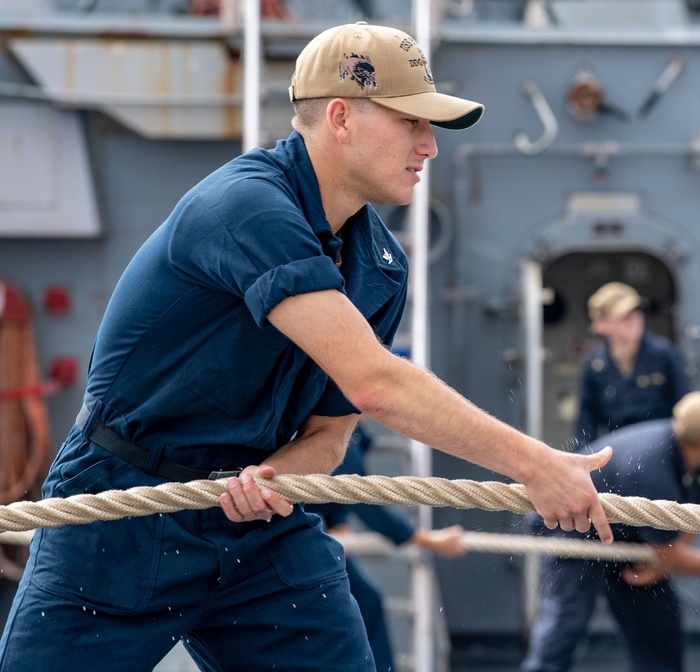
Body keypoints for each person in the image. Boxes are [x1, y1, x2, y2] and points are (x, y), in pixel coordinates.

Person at [0, 22, 614, 672]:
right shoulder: (244, 208)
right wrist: (534, 464)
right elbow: (376, 383)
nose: (430, 146)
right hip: (122, 511)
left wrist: (287, 473)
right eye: (412, 123)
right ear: (341, 118)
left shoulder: (380, 267)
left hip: (259, 525)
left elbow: (332, 429)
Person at [522, 390, 700, 672]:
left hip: (630, 535)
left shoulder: (698, 461)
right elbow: (671, 552)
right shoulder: (652, 469)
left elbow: (693, 518)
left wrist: (663, 562)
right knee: (566, 618)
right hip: (572, 528)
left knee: (658, 624)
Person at [306, 423, 466, 672]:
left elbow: (334, 486)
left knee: (361, 603)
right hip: (298, 537)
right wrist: (428, 541)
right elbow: (363, 500)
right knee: (363, 603)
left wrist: (339, 522)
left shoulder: (349, 434)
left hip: (309, 534)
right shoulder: (339, 435)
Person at [574, 281, 691, 447]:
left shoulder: (664, 355)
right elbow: (586, 425)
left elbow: (686, 408)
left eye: (637, 312)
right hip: (619, 453)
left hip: (663, 450)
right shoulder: (594, 367)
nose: (634, 320)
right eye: (624, 316)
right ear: (602, 325)